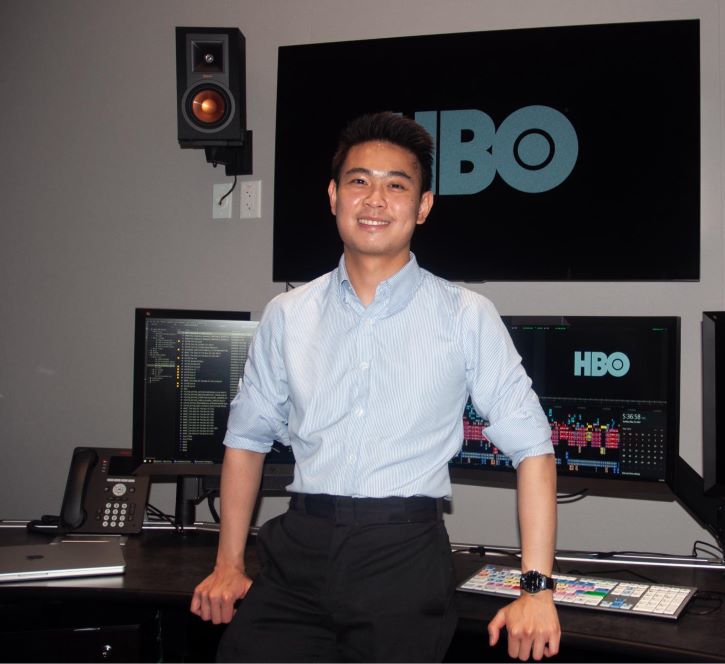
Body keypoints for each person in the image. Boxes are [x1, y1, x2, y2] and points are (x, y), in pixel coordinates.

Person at [190, 111, 561, 662]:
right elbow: (246, 439)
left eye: (396, 185)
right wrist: (228, 564)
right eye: (359, 181)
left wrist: (536, 589)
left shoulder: (466, 315)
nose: (375, 199)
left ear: (423, 206)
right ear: (334, 196)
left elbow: (533, 448)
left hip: (403, 558)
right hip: (298, 550)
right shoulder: (288, 314)